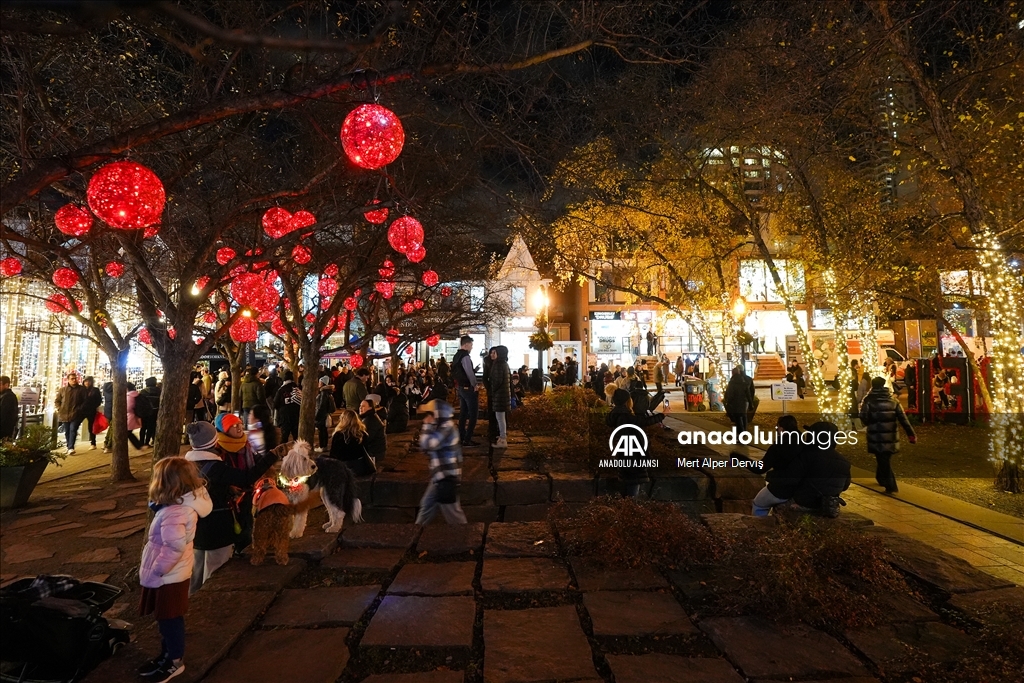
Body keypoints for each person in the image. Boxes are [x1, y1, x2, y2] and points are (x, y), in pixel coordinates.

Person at [137, 457, 212, 682]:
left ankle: (174, 662)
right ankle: (167, 654)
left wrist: (158, 570)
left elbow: (174, 546)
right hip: (172, 574)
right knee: (168, 618)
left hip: (168, 576)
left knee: (170, 619)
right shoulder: (177, 506)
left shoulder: (175, 512)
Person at [184, 421, 277, 593]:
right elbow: (247, 477)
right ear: (213, 440)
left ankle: (190, 604)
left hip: (195, 526)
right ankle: (209, 606)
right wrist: (272, 455)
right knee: (216, 570)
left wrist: (226, 490)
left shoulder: (186, 466)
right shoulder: (216, 467)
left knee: (197, 571)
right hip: (217, 527)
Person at [860, 376, 916, 494]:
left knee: (882, 460)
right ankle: (880, 478)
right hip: (891, 436)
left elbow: (863, 417)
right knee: (884, 458)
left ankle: (891, 485)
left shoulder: (869, 400)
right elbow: (903, 419)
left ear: (873, 386)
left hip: (876, 436)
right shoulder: (893, 400)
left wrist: (870, 423)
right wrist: (911, 435)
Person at [415, 400, 467, 525]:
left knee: (453, 513)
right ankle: (415, 534)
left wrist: (426, 427)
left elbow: (429, 444)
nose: (428, 417)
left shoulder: (447, 427)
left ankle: (466, 538)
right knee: (426, 505)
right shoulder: (440, 426)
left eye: (431, 413)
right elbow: (424, 447)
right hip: (439, 476)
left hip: (446, 475)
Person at [213, 413, 258, 553]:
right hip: (229, 498)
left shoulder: (246, 444)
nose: (239, 428)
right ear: (224, 429)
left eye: (240, 424)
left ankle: (244, 549)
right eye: (233, 426)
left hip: (247, 491)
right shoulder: (218, 449)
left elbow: (255, 465)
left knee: (246, 521)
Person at [606, 389, 664, 497]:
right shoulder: (625, 416)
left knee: (628, 487)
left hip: (624, 456)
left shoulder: (617, 414)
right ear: (627, 401)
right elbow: (643, 422)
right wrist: (662, 415)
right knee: (632, 489)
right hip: (632, 457)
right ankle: (630, 510)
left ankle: (628, 508)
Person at [791, 422, 852, 517]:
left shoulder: (806, 456)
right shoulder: (844, 462)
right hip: (829, 505)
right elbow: (845, 486)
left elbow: (792, 478)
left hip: (803, 502)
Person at [751, 416, 808, 516]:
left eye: (777, 427)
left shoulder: (778, 447)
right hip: (800, 489)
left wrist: (740, 461)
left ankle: (759, 527)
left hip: (781, 488)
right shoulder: (804, 444)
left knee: (758, 504)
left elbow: (760, 468)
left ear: (781, 429)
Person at [451, 335, 480, 446]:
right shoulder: (465, 356)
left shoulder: (456, 356)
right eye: (471, 345)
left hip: (461, 388)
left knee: (463, 412)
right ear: (466, 344)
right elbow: (469, 372)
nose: (472, 347)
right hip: (468, 388)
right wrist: (475, 385)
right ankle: (467, 439)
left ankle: (461, 436)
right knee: (473, 414)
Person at [54, 372, 88, 454]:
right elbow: (57, 401)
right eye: (72, 379)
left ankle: (71, 447)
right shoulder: (63, 390)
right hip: (64, 414)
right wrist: (60, 408)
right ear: (68, 380)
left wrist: (79, 409)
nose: (74, 380)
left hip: (76, 414)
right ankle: (69, 446)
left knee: (73, 429)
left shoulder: (81, 389)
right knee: (67, 431)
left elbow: (85, 401)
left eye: (75, 378)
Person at [490, 346, 512, 448]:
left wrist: (492, 390)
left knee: (500, 418)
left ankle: (503, 440)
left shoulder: (499, 364)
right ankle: (502, 437)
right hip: (503, 394)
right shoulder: (504, 363)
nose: (494, 354)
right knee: (501, 417)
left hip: (500, 395)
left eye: (496, 352)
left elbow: (497, 381)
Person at [723, 365, 755, 433]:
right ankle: (744, 431)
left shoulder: (733, 381)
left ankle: (741, 432)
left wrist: (728, 401)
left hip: (736, 401)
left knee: (738, 417)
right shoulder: (746, 380)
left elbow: (729, 392)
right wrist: (751, 402)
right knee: (743, 416)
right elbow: (750, 392)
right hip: (744, 401)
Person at [273, 370, 302, 443]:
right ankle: (298, 451)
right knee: (296, 437)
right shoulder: (297, 389)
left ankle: (283, 452)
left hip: (285, 416)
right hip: (296, 415)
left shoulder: (281, 390)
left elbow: (275, 404)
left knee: (284, 437)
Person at [359, 398, 387, 467]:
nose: (360, 408)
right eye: (360, 406)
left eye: (363, 406)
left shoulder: (370, 420)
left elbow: (366, 439)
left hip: (375, 452)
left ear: (370, 408)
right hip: (376, 450)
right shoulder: (369, 417)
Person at [313, 376, 338, 450]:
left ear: (323, 383)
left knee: (322, 431)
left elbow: (322, 406)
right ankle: (324, 446)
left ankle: (322, 446)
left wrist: (317, 417)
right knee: (324, 431)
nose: (318, 383)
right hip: (324, 414)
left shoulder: (324, 393)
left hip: (322, 415)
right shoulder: (326, 392)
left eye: (320, 381)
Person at [138, 377, 162, 447]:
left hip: (145, 412)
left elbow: (140, 403)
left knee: (143, 428)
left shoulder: (143, 392)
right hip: (154, 412)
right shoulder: (159, 391)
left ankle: (141, 442)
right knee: (151, 427)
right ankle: (147, 442)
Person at [81, 376, 102, 449]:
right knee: (74, 425)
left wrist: (94, 406)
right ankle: (70, 446)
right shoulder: (81, 390)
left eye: (89, 381)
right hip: (81, 410)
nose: (87, 383)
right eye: (86, 381)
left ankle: (93, 443)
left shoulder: (95, 390)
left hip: (91, 410)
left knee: (91, 427)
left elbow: (99, 400)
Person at [0, 375, 19, 440]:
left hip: (4, 430)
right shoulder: (5, 396)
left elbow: (3, 414)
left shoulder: (8, 397)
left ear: (6, 385)